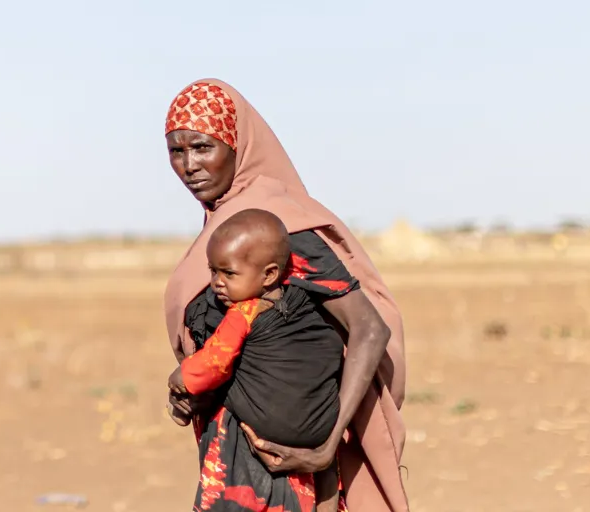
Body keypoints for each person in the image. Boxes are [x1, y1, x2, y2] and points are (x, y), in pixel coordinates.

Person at [162, 80, 408, 512]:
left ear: (238, 146)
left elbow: (369, 328)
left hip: (290, 468)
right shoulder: (228, 233)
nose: (189, 166)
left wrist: (326, 446)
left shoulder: (277, 228)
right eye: (176, 151)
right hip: (231, 457)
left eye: (202, 147)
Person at [167, 208, 351, 512]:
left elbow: (213, 363)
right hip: (322, 433)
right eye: (213, 271)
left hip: (272, 436)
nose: (217, 283)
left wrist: (180, 378)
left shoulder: (244, 313)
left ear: (269, 274)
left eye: (228, 273)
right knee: (326, 475)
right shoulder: (308, 305)